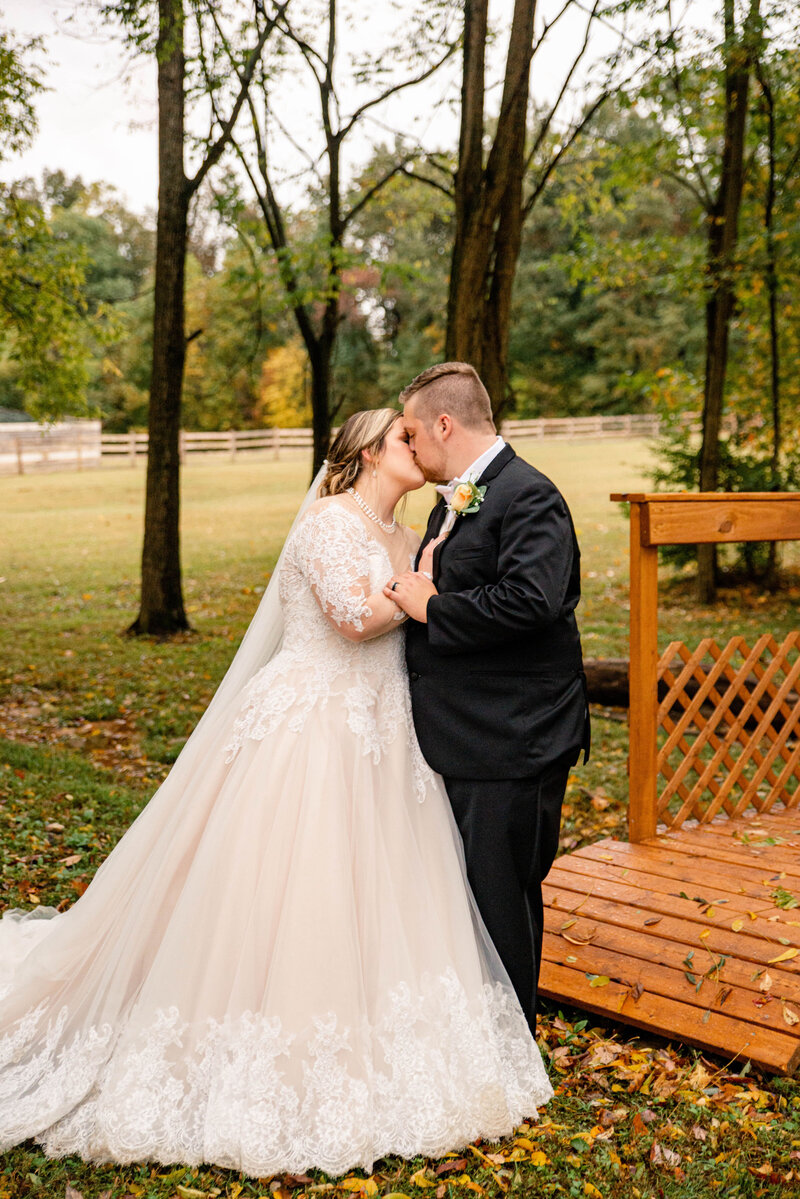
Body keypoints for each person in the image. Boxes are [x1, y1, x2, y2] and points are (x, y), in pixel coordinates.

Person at [0, 408, 552, 1178]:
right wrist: (417, 587)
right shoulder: (330, 522)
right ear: (366, 452)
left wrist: (423, 579)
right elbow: (356, 618)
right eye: (402, 436)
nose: (416, 446)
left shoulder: (413, 532)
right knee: (291, 890)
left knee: (379, 895)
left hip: (386, 740)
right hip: (309, 731)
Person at [385, 363, 591, 1037]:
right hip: (466, 733)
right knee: (471, 893)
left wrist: (433, 606)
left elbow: (532, 601)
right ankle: (479, 1037)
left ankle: (511, 1049)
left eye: (413, 433)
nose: (410, 447)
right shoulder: (460, 496)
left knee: (502, 896)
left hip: (514, 738)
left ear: (445, 423)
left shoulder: (530, 496)